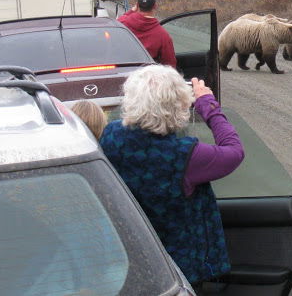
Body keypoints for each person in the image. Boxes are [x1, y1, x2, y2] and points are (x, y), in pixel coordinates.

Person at [99, 65, 244, 286]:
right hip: (179, 269)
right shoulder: (186, 156)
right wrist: (209, 106)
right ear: (180, 105)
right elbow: (234, 151)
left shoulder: (111, 136)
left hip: (132, 257)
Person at [118, 0, 176, 67]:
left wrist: (131, 11)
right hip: (148, 75)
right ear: (155, 6)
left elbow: (118, 21)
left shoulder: (123, 23)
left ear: (137, 5)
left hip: (126, 71)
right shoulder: (162, 35)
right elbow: (170, 64)